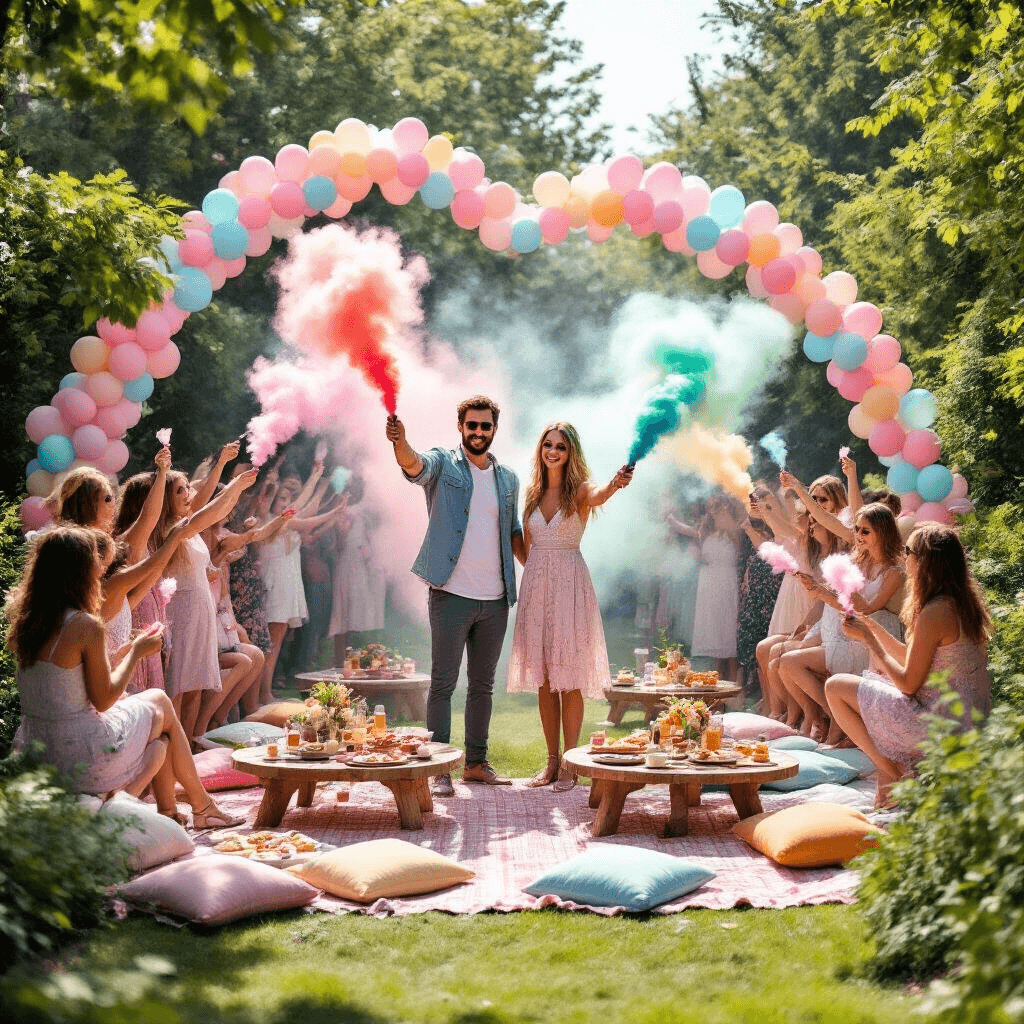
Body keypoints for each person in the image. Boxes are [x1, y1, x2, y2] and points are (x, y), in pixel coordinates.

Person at [7, 526, 243, 827]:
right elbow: (103, 700)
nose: (100, 570)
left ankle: (169, 812)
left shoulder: (25, 625)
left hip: (38, 748)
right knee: (158, 700)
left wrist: (123, 652)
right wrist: (137, 653)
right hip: (82, 753)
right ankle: (202, 807)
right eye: (95, 561)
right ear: (78, 571)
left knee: (159, 743)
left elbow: (63, 683)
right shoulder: (83, 624)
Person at [386, 395, 525, 795]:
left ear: (494, 429)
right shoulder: (444, 463)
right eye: (472, 425)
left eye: (485, 426)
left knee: (483, 685)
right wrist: (400, 442)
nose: (478, 432)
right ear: (460, 426)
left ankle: (477, 764)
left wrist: (541, 566)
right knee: (443, 684)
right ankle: (439, 768)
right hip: (451, 593)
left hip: (496, 599)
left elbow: (513, 532)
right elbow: (415, 465)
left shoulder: (508, 479)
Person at [825, 523, 992, 807]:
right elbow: (912, 659)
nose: (905, 557)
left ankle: (896, 774)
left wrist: (869, 641)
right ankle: (898, 775)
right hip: (964, 717)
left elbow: (908, 683)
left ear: (926, 562)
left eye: (908, 550)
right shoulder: (959, 604)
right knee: (873, 677)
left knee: (835, 687)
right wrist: (871, 627)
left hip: (939, 724)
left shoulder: (935, 611)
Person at [506, 422, 633, 791]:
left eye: (560, 446)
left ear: (570, 452)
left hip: (570, 586)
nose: (552, 451)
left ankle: (571, 764)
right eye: (547, 444)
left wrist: (615, 483)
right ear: (540, 450)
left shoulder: (580, 491)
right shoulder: (531, 493)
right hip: (536, 587)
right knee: (545, 679)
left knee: (569, 677)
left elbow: (600, 494)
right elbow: (524, 546)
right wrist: (531, 568)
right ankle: (549, 764)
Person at [780, 502, 906, 742]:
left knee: (791, 662)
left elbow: (867, 611)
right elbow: (839, 600)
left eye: (865, 531)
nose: (858, 536)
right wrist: (818, 589)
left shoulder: (894, 572)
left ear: (884, 532)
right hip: (839, 630)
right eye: (857, 530)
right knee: (787, 662)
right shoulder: (856, 560)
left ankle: (839, 723)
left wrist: (839, 591)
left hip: (867, 639)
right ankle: (830, 715)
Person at [667, 493, 741, 682]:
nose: (714, 511)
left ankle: (734, 682)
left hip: (727, 581)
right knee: (715, 631)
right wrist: (670, 517)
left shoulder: (734, 530)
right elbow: (685, 530)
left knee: (728, 630)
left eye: (718, 507)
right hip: (708, 583)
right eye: (711, 507)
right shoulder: (706, 530)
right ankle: (718, 681)